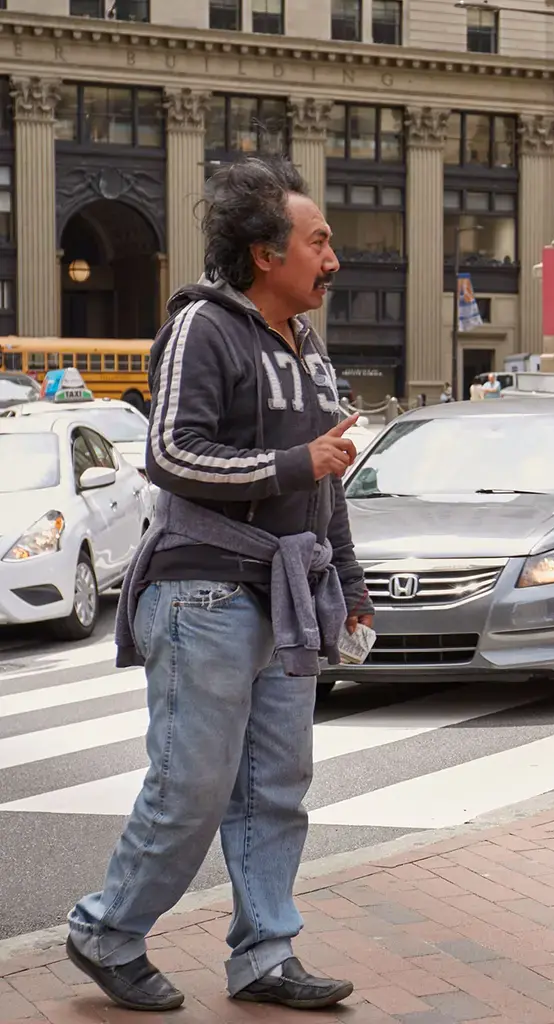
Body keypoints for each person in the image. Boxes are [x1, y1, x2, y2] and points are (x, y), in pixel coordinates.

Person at [65, 155, 373, 1013]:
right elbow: (168, 454)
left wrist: (347, 583)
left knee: (277, 786)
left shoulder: (304, 347)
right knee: (192, 787)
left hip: (283, 598)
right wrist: (293, 460)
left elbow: (326, 479)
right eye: (319, 242)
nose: (334, 259)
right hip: (202, 593)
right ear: (266, 253)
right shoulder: (204, 328)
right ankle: (107, 930)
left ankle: (264, 956)